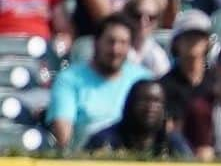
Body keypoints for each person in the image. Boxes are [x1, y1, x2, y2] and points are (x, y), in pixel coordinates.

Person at [47, 13, 151, 148]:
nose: (115, 50)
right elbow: (63, 134)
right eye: (110, 41)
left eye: (123, 43)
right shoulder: (69, 79)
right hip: (87, 161)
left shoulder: (143, 79)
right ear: (96, 42)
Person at [83, 77, 190, 156]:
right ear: (129, 104)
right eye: (144, 100)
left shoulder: (172, 143)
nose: (151, 108)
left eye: (157, 102)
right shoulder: (104, 141)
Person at [158, 7, 211, 128]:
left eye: (198, 35)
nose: (193, 40)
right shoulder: (164, 85)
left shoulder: (216, 82)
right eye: (187, 36)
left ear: (207, 42)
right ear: (176, 43)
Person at [123, 0, 169, 77]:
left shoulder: (158, 56)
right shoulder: (115, 48)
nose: (143, 22)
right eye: (138, 16)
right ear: (126, 16)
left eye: (151, 17)